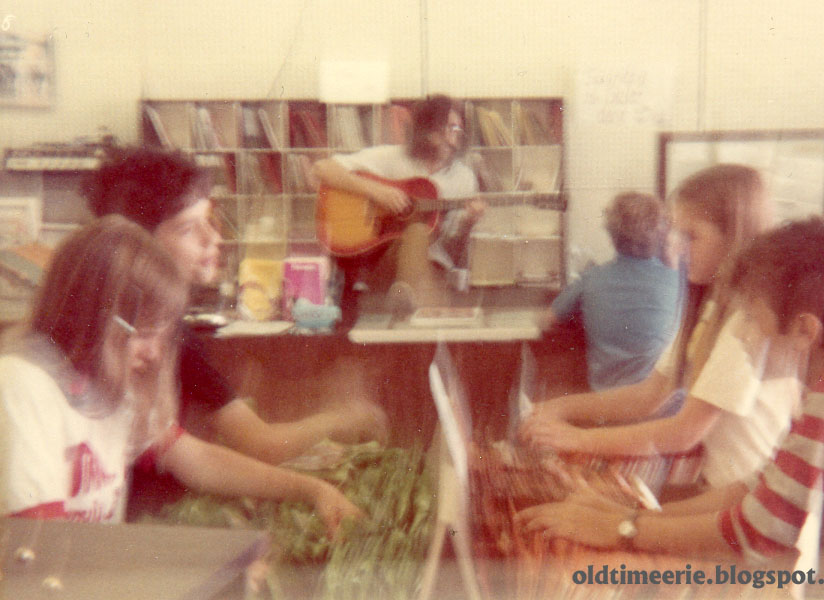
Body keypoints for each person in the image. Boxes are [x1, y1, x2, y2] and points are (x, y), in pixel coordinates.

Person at [517, 218, 824, 567]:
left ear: (804, 331)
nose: (742, 332)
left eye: (752, 315)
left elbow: (759, 532)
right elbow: (761, 488)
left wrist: (624, 529)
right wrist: (627, 519)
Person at [0, 217, 360, 533]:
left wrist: (312, 490)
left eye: (161, 335)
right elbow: (39, 554)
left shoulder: (109, 375)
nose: (154, 353)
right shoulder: (22, 382)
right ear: (90, 317)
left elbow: (198, 460)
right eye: (140, 333)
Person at [82, 148, 387, 518]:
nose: (214, 238)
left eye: (209, 220)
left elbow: (181, 450)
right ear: (136, 245)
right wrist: (345, 416)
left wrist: (310, 489)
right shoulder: (152, 338)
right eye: (188, 228)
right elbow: (262, 444)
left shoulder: (162, 328)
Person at [520, 164, 789, 490]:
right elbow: (650, 394)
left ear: (734, 240)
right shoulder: (709, 309)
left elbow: (683, 433)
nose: (675, 248)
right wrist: (557, 408)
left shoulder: (745, 322)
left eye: (691, 236)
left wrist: (577, 438)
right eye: (676, 234)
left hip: (752, 495)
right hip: (721, 485)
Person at [314, 94, 483, 314]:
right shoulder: (392, 157)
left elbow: (451, 248)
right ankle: (409, 304)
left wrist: (469, 221)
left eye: (457, 130)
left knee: (419, 234)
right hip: (384, 266)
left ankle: (407, 302)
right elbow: (322, 168)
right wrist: (377, 191)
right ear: (426, 129)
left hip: (433, 270)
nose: (453, 138)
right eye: (447, 128)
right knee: (418, 233)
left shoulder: (464, 178)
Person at [541, 191, 681, 391]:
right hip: (663, 405)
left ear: (611, 236)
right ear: (661, 235)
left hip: (607, 404)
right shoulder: (677, 281)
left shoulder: (591, 278)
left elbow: (548, 320)